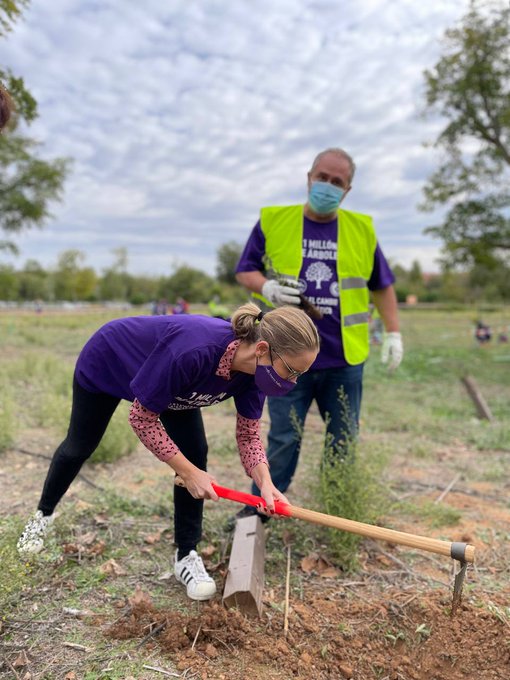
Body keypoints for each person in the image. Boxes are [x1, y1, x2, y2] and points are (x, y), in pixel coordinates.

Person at [17, 303, 319, 600]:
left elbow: (248, 435)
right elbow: (141, 419)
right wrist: (187, 474)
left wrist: (266, 484)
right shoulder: (194, 351)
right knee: (79, 446)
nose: (293, 381)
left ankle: (186, 554)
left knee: (195, 453)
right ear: (263, 349)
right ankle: (42, 516)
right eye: (291, 371)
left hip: (176, 388)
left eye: (299, 375)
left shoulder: (254, 375)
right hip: (110, 362)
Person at [235, 147, 403, 517]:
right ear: (309, 177)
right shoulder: (273, 220)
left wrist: (393, 333)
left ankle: (337, 509)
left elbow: (383, 285)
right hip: (283, 356)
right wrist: (267, 288)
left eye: (337, 182)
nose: (327, 186)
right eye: (322, 178)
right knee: (282, 438)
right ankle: (258, 510)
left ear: (348, 190)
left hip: (343, 357)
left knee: (343, 439)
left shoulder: (361, 229)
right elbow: (244, 269)